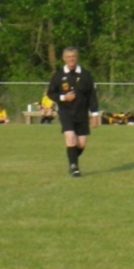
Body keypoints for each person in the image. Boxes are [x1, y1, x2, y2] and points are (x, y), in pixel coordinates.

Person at [46, 47, 99, 178]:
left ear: (77, 58)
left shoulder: (85, 75)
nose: (71, 59)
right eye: (68, 57)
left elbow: (92, 96)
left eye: (73, 56)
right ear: (64, 59)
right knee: (70, 137)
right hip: (66, 113)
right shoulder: (58, 75)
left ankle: (72, 161)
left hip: (81, 114)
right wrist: (64, 98)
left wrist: (95, 114)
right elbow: (51, 93)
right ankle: (74, 167)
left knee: (81, 144)